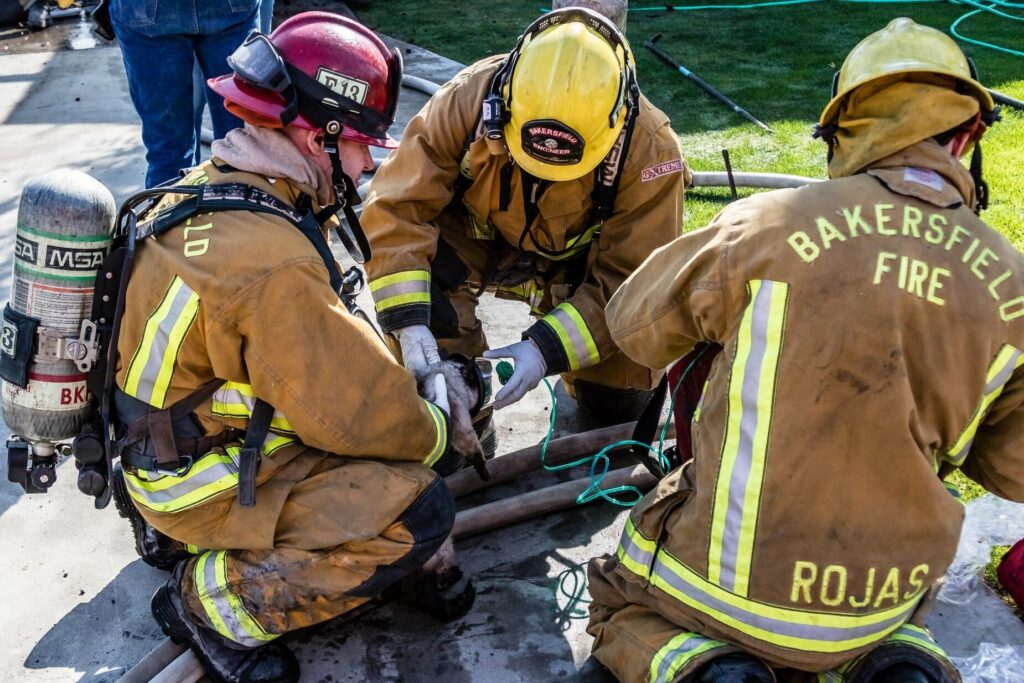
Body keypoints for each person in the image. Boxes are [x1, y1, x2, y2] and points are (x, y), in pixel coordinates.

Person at [586, 18, 1022, 682]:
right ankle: (900, 666)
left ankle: (708, 668)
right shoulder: (1010, 286)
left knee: (619, 602)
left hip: (717, 588)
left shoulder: (768, 225)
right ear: (966, 138)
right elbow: (1013, 469)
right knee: (876, 635)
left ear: (842, 130)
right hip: (875, 603)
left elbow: (631, 325)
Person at [107, 13, 471, 683]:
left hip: (162, 450)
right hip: (196, 481)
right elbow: (363, 415)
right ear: (314, 136)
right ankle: (211, 603)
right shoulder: (272, 261)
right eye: (359, 145)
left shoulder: (217, 185)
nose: (367, 164)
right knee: (419, 505)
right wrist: (442, 425)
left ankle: (183, 536)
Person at [360, 7, 689, 434]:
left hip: (576, 266)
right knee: (434, 344)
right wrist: (409, 323)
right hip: (473, 242)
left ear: (614, 127)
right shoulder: (467, 100)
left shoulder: (650, 151)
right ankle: (465, 427)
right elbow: (395, 209)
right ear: (507, 101)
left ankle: (594, 421)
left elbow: (631, 282)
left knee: (622, 380)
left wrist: (545, 349)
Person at [109, 0, 258, 188]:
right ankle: (240, 204)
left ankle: (173, 205)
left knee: (168, 150)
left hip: (147, 11)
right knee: (241, 145)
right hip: (229, 8)